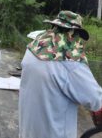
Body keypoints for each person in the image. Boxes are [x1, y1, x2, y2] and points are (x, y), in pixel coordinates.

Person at [19, 10, 102, 138]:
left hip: (28, 131)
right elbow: (95, 100)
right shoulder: (70, 63)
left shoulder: (33, 47)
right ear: (73, 33)